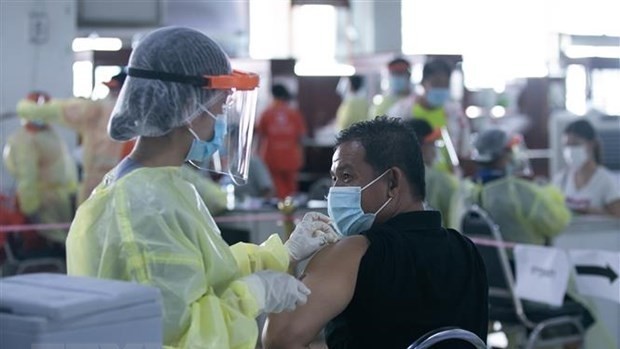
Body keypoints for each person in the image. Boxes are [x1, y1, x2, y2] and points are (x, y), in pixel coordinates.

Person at [65, 27, 339, 349]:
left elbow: (203, 270)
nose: (222, 125)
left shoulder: (161, 186)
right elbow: (184, 338)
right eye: (220, 108)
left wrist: (283, 253)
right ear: (187, 107)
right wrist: (253, 294)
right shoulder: (143, 205)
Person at [263, 116, 488, 349]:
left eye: (347, 176)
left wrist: (286, 259)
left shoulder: (352, 253)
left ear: (392, 182)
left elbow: (279, 339)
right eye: (334, 178)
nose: (335, 191)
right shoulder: (467, 251)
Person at [17, 70, 133, 204]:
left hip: (98, 184)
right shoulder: (142, 112)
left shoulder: (97, 109)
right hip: (129, 185)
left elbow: (51, 111)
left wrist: (26, 106)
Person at [466, 128, 571, 245]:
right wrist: (546, 190)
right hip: (526, 261)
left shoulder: (465, 191)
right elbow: (558, 223)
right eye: (511, 151)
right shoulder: (518, 192)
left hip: (478, 262)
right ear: (503, 156)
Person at [3, 91, 78, 244]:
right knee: (56, 242)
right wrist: (30, 207)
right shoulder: (24, 139)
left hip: (60, 198)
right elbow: (27, 176)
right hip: (43, 201)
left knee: (67, 240)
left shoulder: (49, 133)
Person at [389, 58, 471, 172]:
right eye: (436, 83)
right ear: (423, 83)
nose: (441, 89)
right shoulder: (401, 111)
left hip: (448, 180)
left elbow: (464, 151)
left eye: (445, 84)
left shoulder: (456, 114)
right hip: (413, 179)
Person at [553, 119, 620, 217]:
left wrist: (594, 212)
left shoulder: (607, 181)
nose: (571, 150)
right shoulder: (561, 179)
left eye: (575, 144)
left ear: (591, 144)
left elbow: (617, 218)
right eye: (567, 146)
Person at [256, 84, 307, 199]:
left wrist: (257, 157)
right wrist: (301, 157)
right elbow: (301, 138)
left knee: (276, 194)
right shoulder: (294, 114)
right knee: (291, 194)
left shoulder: (266, 113)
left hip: (271, 159)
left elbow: (259, 137)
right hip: (291, 158)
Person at [407, 119, 459, 227]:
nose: (435, 149)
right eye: (431, 144)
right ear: (420, 146)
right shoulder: (441, 181)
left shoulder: (393, 176)